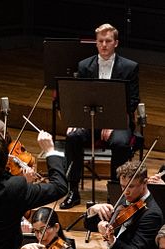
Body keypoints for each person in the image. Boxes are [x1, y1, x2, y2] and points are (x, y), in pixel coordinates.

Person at [61, 23, 139, 209]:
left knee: (120, 143)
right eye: (100, 41)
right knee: (72, 137)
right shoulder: (84, 65)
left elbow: (133, 100)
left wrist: (111, 121)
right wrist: (75, 121)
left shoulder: (130, 67)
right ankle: (73, 191)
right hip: (90, 121)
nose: (104, 44)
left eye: (108, 41)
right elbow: (79, 98)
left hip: (117, 121)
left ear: (116, 43)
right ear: (96, 43)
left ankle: (116, 193)